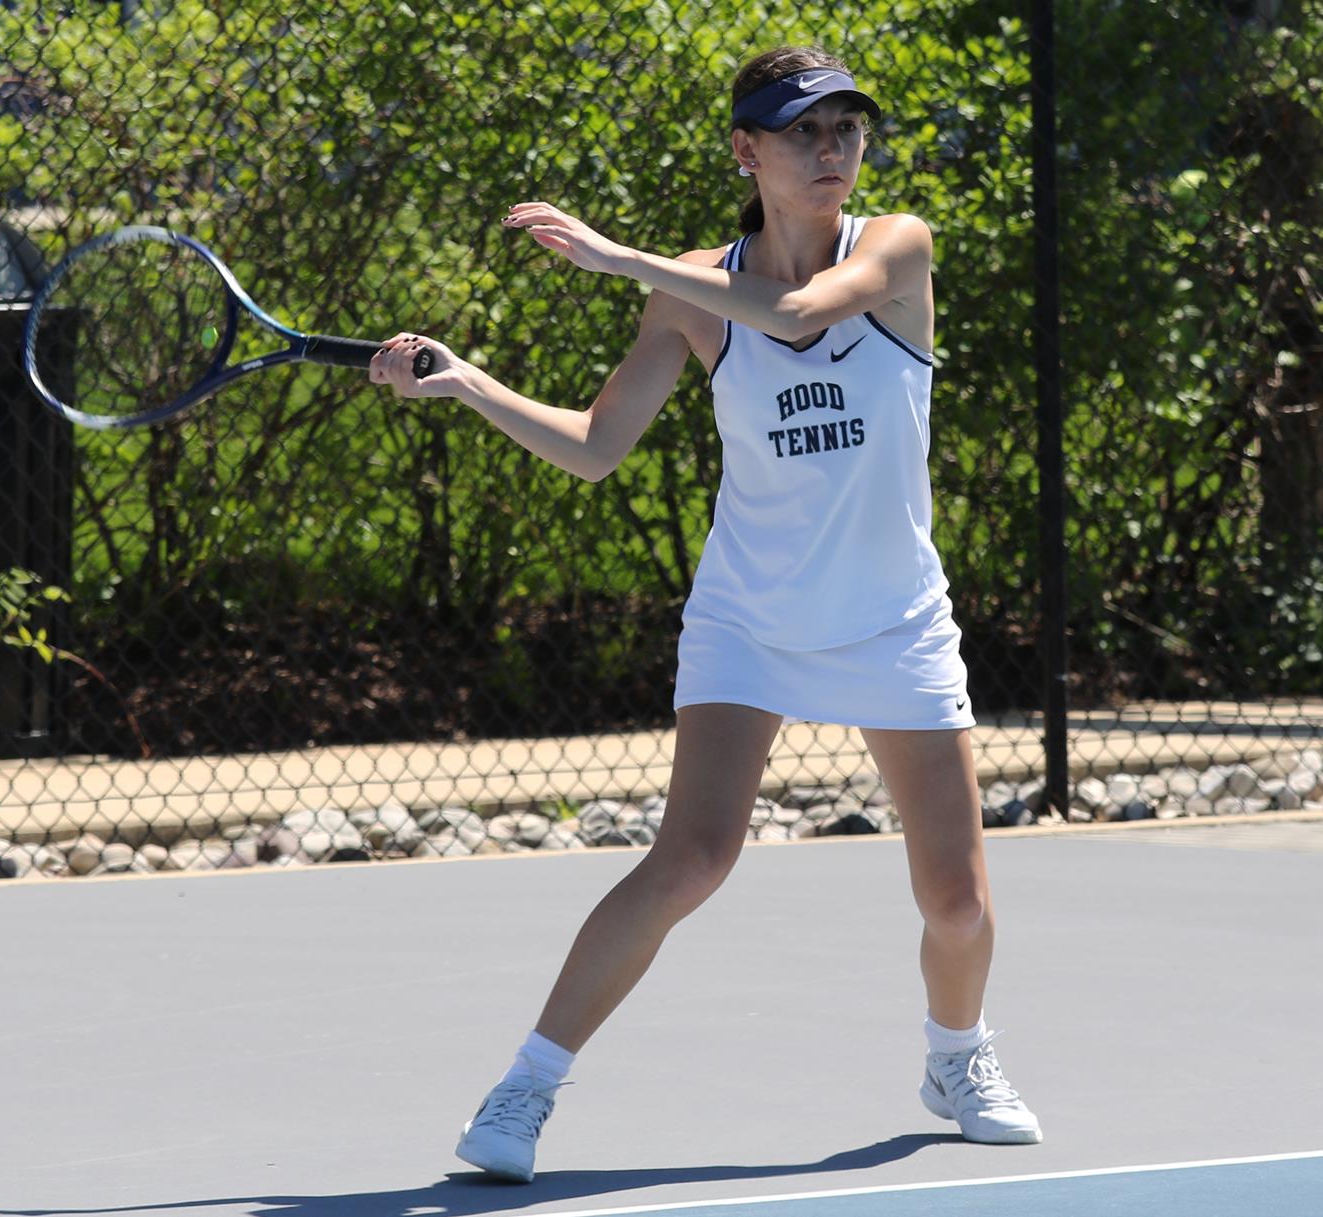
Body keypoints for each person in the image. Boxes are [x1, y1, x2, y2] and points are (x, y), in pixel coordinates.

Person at [367, 45, 1043, 1183]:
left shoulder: (896, 246)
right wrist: (467, 383)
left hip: (892, 623)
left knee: (958, 901)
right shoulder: (687, 293)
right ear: (746, 150)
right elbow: (594, 449)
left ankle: (956, 1055)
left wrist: (614, 254)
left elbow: (793, 314)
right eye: (801, 131)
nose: (831, 150)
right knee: (689, 858)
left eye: (844, 129)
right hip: (749, 619)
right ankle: (524, 1084)